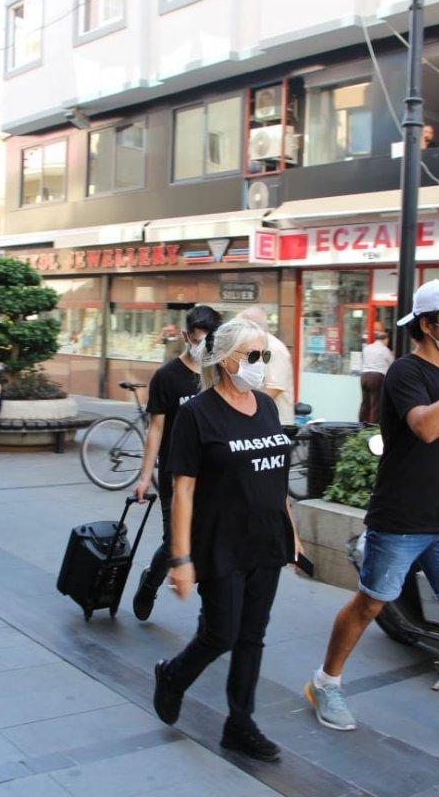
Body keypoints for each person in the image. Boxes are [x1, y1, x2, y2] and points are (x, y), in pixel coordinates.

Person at [302, 280, 439, 757]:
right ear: (427, 325)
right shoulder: (405, 373)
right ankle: (325, 682)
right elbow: (425, 426)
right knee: (371, 603)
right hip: (400, 519)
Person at [152, 317, 303, 762]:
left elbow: (277, 480)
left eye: (265, 356)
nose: (259, 365)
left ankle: (241, 723)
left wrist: (291, 534)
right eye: (251, 356)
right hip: (220, 542)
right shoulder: (197, 414)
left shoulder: (266, 406)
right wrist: (180, 559)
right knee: (221, 633)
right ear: (223, 359)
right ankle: (174, 676)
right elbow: (182, 489)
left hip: (266, 541)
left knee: (253, 635)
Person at [131, 304, 223, 621]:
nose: (205, 349)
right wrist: (144, 477)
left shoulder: (221, 374)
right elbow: (156, 428)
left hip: (212, 473)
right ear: (186, 336)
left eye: (211, 342)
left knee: (207, 535)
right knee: (174, 541)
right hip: (175, 470)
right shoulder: (167, 377)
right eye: (199, 341)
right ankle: (150, 584)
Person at [238, 306, 294, 425]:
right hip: (260, 419)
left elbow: (274, 389)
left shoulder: (274, 348)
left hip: (276, 423)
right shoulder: (254, 345)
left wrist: (243, 409)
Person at [359, 330, 394, 423]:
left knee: (364, 403)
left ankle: (360, 424)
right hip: (376, 377)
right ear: (385, 340)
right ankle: (373, 427)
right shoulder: (385, 350)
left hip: (364, 376)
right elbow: (392, 364)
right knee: (375, 404)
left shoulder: (367, 348)